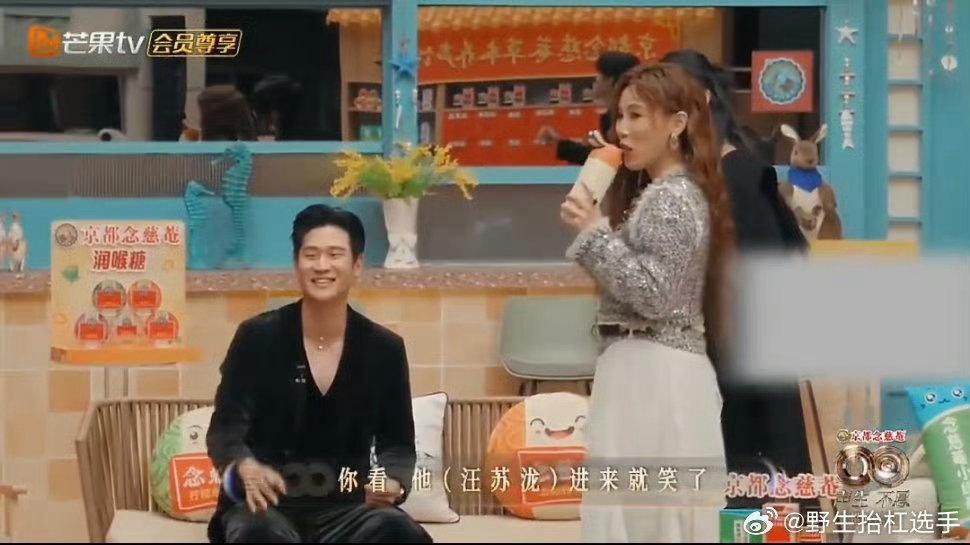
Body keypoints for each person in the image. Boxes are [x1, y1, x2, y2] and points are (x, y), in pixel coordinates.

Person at [560, 63, 734, 542]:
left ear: (677, 124)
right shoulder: (667, 192)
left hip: (654, 373)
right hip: (650, 370)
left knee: (646, 519)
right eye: (620, 116)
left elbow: (654, 294)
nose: (622, 128)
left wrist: (593, 233)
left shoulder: (671, 197)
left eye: (636, 115)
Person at [206, 204, 432, 544]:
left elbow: (397, 444)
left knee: (400, 533)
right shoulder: (256, 338)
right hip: (266, 506)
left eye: (335, 254)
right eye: (311, 255)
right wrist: (243, 465)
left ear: (357, 265)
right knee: (259, 534)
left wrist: (393, 481)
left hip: (348, 507)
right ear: (296, 264)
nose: (322, 265)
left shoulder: (384, 349)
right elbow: (225, 429)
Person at [661, 49, 815, 511]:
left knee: (759, 490)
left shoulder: (741, 177)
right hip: (715, 352)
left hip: (746, 361)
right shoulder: (697, 177)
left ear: (701, 104)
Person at [538, 51, 640, 165]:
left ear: (611, 80)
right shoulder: (610, 116)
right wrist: (560, 144)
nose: (595, 80)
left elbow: (615, 161)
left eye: (599, 75)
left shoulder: (626, 119)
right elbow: (606, 158)